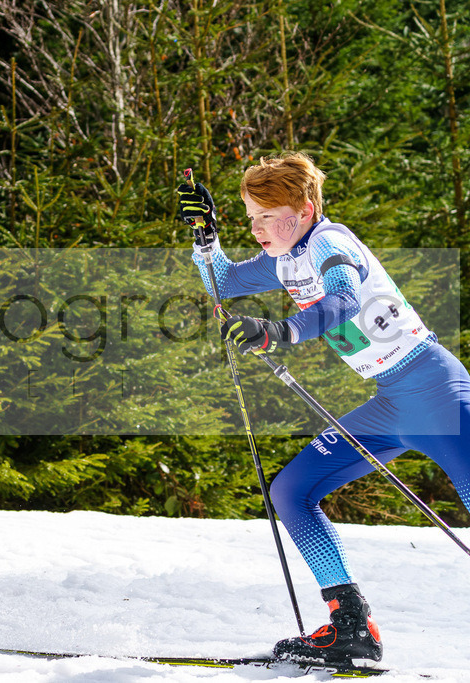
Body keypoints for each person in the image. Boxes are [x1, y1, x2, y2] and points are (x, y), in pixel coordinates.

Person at [176, 152, 470, 666]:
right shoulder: (287, 258)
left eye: (268, 216)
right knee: (291, 490)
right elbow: (224, 283)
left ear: (306, 211)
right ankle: (351, 624)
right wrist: (207, 237)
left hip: (436, 393)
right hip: (390, 405)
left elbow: (342, 302)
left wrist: (280, 331)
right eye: (251, 216)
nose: (257, 228)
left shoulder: (331, 242)